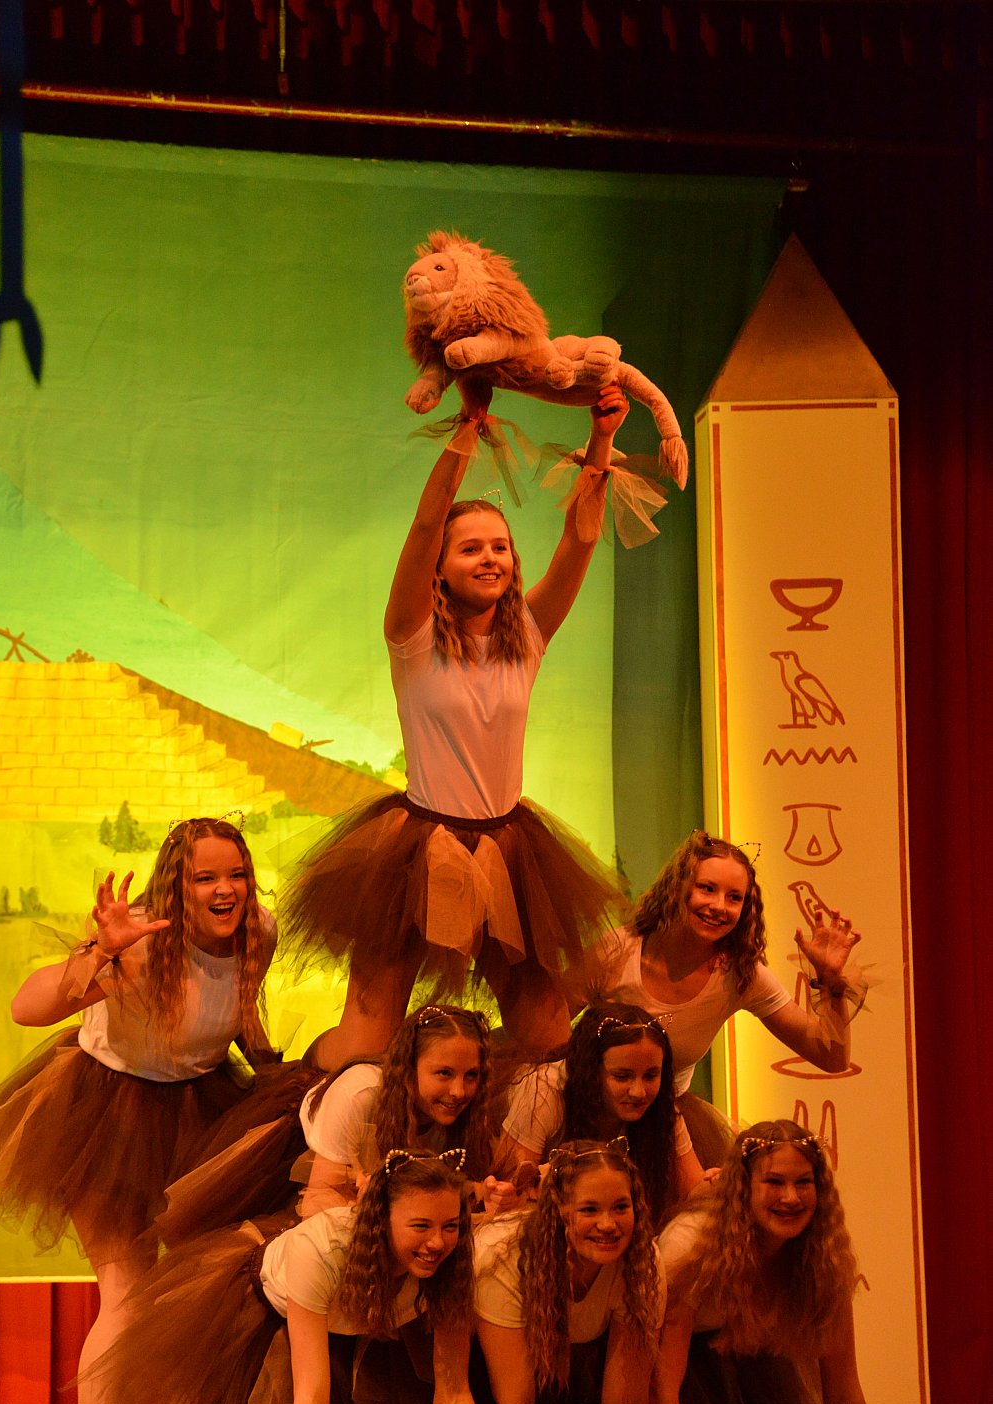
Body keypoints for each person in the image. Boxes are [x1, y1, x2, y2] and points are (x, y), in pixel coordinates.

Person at [282, 386, 632, 1073]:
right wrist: (467, 429)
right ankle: (299, 1091)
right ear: (440, 567)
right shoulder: (412, 637)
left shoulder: (527, 635)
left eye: (501, 547)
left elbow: (581, 539)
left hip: (510, 852)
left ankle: (482, 1107)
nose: (491, 558)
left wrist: (601, 440)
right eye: (470, 548)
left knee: (548, 1037)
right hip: (418, 852)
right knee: (368, 1040)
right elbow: (422, 528)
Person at [0, 818, 276, 1404]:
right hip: (110, 1113)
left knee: (209, 1294)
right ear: (175, 885)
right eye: (205, 877)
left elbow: (238, 1016)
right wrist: (101, 950)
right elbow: (28, 1008)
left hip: (203, 1111)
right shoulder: (139, 944)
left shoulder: (260, 929)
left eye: (236, 874)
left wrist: (274, 1084)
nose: (225, 890)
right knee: (126, 1295)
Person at [106, 1153, 518, 1404]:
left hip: (355, 1341)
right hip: (264, 1330)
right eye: (420, 1226)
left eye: (450, 1226)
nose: (437, 1242)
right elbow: (310, 1392)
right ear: (381, 1219)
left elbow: (454, 1394)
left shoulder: (451, 1264)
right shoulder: (320, 1250)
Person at [645, 1121, 933, 1404]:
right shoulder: (692, 1244)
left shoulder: (822, 1255)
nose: (791, 1197)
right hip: (645, 1372)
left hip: (718, 1369)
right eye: (774, 1182)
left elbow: (844, 1391)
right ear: (743, 1187)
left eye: (803, 1183)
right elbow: (661, 1386)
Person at [594, 831, 863, 1162]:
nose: (719, 906)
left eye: (734, 897)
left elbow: (831, 1057)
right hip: (589, 1119)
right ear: (676, 888)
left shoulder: (740, 974)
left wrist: (832, 983)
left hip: (664, 1136)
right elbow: (550, 1034)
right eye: (707, 889)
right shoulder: (617, 951)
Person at [155, 1003, 498, 1244]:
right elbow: (318, 1198)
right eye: (443, 1074)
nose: (459, 1091)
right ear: (408, 1067)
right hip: (295, 1179)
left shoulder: (467, 1110)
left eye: (471, 1076)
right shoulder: (360, 1094)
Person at [475, 1141, 665, 1404]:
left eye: (621, 1207)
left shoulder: (643, 1264)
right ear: (561, 1210)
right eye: (590, 1210)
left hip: (572, 1372)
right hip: (487, 1384)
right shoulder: (502, 1260)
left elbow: (627, 1399)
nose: (608, 1224)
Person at [492, 1004, 706, 1228]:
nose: (639, 1092)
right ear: (591, 1071)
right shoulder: (544, 1092)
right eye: (622, 1076)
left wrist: (719, 1184)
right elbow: (510, 1195)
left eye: (651, 1075)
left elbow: (695, 1190)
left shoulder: (661, 1107)